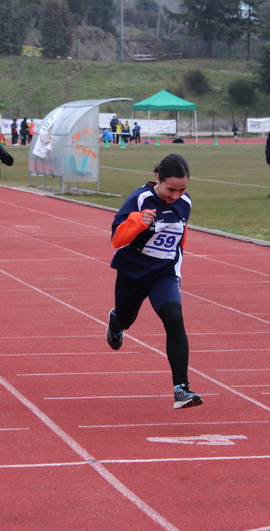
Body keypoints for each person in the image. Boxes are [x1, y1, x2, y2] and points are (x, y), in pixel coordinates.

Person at [105, 153, 203, 409]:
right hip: (133, 272)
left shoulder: (185, 203)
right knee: (126, 319)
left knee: (174, 316)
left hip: (164, 272)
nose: (176, 195)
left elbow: (179, 240)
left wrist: (176, 273)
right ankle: (116, 322)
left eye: (182, 189)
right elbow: (117, 239)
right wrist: (138, 222)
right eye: (171, 189)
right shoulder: (140, 199)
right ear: (158, 178)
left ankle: (181, 388)